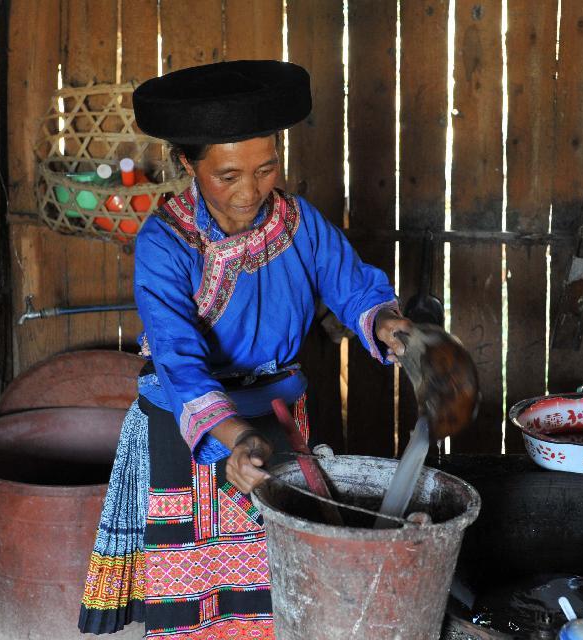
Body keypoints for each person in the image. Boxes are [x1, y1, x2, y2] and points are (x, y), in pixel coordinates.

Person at [78, 60, 413, 639]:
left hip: (281, 415)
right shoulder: (166, 242)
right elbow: (179, 359)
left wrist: (385, 322)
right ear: (188, 165)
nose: (250, 192)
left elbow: (354, 287)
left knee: (276, 586)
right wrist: (236, 439)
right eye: (227, 175)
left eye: (265, 169)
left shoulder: (299, 223)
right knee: (198, 597)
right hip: (190, 429)